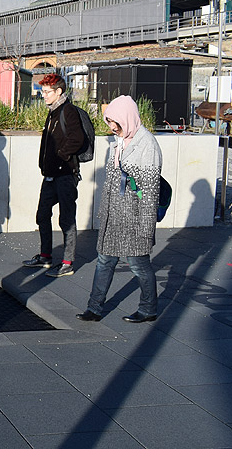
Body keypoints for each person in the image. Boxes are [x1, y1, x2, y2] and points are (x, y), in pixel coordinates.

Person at [77, 95, 162, 324]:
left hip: (134, 219)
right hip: (113, 217)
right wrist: (104, 213)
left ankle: (148, 310)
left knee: (139, 265)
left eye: (116, 122)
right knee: (104, 261)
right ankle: (94, 308)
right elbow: (111, 184)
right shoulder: (118, 143)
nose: (112, 127)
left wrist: (146, 228)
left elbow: (150, 190)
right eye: (109, 122)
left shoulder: (147, 145)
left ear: (128, 117)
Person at [22, 73, 85, 278]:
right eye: (43, 92)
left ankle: (67, 262)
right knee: (42, 215)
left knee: (66, 219)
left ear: (59, 92)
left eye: (47, 92)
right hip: (50, 175)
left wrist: (60, 157)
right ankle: (46, 255)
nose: (44, 96)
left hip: (66, 175)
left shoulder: (68, 111)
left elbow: (77, 139)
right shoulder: (53, 112)